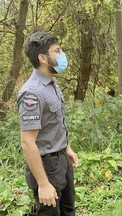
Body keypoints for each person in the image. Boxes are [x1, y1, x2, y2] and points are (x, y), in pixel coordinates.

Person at [17, 31, 78, 216]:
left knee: (68, 211)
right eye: (57, 50)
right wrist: (43, 184)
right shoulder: (32, 93)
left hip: (62, 161)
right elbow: (28, 142)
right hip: (46, 167)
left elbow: (55, 122)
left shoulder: (51, 83)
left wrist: (66, 147)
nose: (62, 54)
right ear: (43, 58)